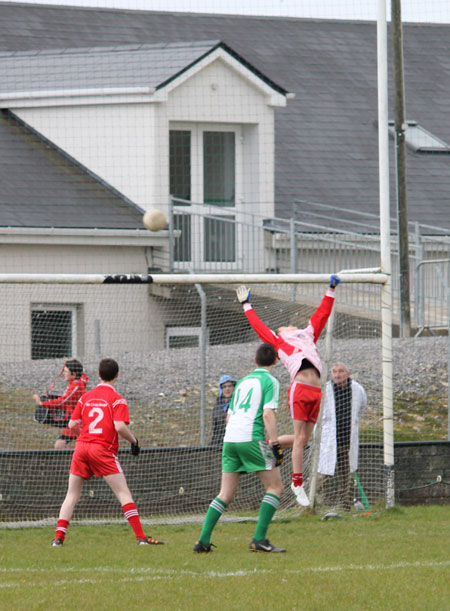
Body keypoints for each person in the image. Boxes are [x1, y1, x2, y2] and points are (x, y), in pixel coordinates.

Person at [236, 275, 340, 508]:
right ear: (281, 333)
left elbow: (323, 312)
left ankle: (269, 444)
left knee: (304, 439)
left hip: (316, 391)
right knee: (301, 439)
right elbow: (260, 327)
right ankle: (297, 483)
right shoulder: (279, 341)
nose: (286, 325)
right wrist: (247, 305)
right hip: (300, 389)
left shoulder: (308, 333)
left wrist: (331, 288)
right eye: (282, 326)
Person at [51, 357, 163, 547]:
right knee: (123, 493)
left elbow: (72, 424)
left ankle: (58, 539)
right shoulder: (118, 399)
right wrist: (134, 441)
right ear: (117, 375)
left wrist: (82, 436)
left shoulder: (86, 397)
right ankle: (141, 537)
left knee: (72, 494)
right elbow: (119, 427)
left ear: (99, 375)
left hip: (81, 447)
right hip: (102, 449)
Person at [193, 343, 286, 553]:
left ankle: (203, 541)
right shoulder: (271, 381)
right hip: (250, 437)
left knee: (225, 494)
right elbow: (268, 414)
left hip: (230, 439)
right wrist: (275, 443)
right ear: (275, 361)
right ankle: (259, 539)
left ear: (255, 361)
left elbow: (228, 417)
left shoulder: (242, 382)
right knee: (275, 487)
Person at [317, 363, 367, 511]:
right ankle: (317, 504)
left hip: (347, 441)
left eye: (341, 371)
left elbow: (362, 408)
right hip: (329, 442)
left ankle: (345, 507)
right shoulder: (325, 390)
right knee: (323, 475)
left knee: (347, 476)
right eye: (334, 372)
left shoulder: (357, 389)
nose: (337, 375)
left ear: (348, 373)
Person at [33, 359, 89, 450]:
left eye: (66, 371)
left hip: (80, 423)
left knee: (61, 445)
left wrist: (42, 403)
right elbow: (84, 376)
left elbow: (61, 401)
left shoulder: (76, 386)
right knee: (60, 445)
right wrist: (70, 363)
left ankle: (80, 460)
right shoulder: (79, 380)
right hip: (74, 421)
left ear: (73, 375)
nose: (63, 373)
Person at [210, 375, 237, 446]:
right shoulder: (217, 406)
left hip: (233, 442)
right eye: (224, 387)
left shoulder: (237, 404)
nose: (227, 389)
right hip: (217, 442)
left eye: (230, 386)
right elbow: (215, 428)